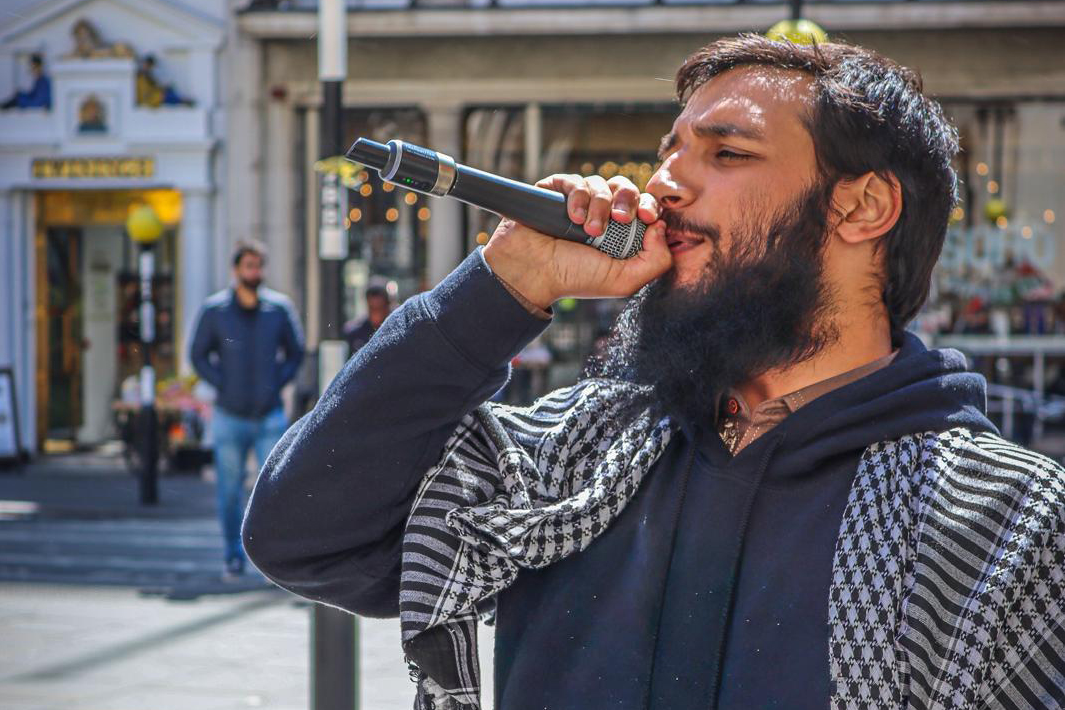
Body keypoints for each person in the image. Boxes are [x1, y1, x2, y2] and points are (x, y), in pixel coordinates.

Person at [242, 36, 1065, 709]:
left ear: (862, 206)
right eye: (668, 152)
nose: (663, 183)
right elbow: (304, 537)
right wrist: (504, 287)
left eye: (728, 152)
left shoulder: (1006, 523)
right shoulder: (576, 457)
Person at [190, 240, 303, 579]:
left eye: (258, 266)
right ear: (236, 270)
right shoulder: (215, 310)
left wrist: (277, 383)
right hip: (229, 415)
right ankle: (232, 555)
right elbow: (197, 355)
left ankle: (273, 561)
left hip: (269, 414)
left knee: (274, 490)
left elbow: (295, 353)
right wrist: (222, 383)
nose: (254, 272)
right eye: (248, 266)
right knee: (229, 491)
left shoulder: (279, 309)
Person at [341, 280, 393, 355]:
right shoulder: (354, 332)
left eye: (379, 308)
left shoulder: (395, 329)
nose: (376, 303)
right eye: (373, 308)